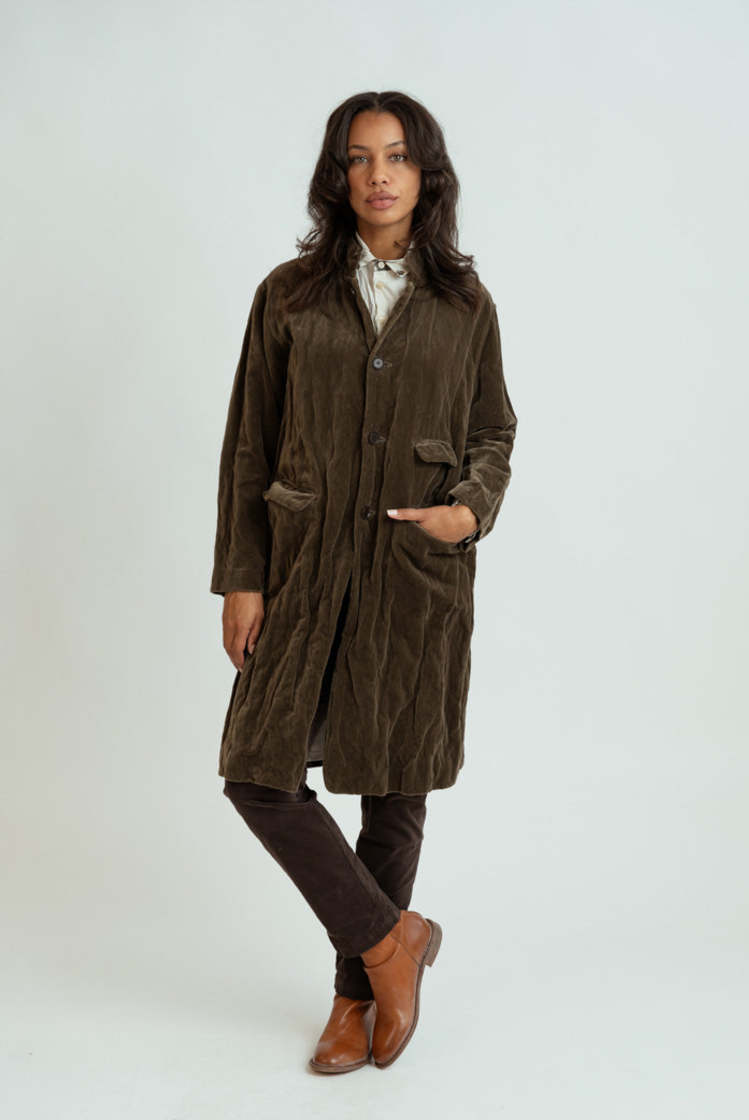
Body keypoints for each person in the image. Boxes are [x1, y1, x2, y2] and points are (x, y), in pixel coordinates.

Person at [210, 90, 517, 1074]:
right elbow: (250, 442)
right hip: (303, 568)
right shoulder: (289, 295)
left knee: (393, 786)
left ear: (426, 175)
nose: (377, 174)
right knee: (257, 774)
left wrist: (468, 508)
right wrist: (242, 579)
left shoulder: (463, 303)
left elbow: (493, 430)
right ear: (337, 176)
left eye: (396, 156)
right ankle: (392, 945)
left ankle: (353, 998)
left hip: (414, 575)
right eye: (358, 157)